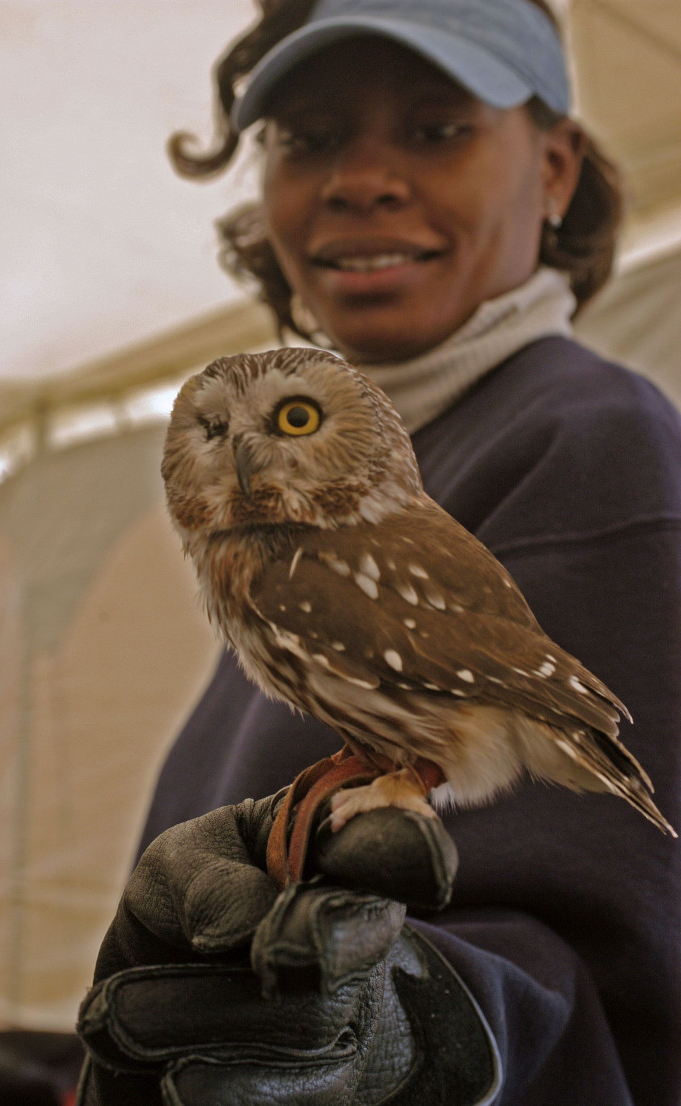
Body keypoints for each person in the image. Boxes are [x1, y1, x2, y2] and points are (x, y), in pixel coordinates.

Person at [77, 1, 681, 1103]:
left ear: (552, 172)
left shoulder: (587, 438)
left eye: (435, 127)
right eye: (308, 138)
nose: (363, 178)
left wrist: (411, 1025)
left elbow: (614, 941)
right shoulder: (282, 505)